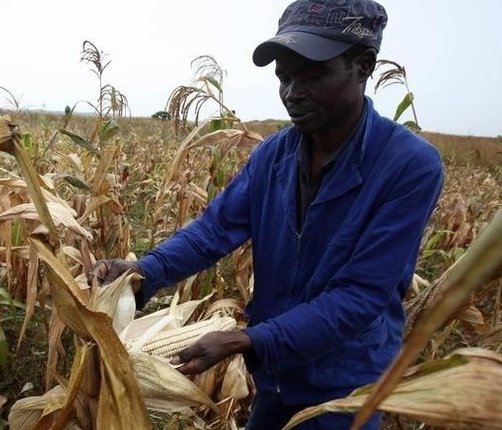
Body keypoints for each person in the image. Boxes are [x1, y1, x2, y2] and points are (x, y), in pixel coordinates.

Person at [91, 0, 443, 428]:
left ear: (363, 65)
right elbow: (214, 231)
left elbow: (359, 296)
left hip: (345, 387)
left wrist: (250, 339)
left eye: (312, 75)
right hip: (275, 375)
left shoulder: (408, 165)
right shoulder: (273, 156)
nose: (293, 92)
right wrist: (144, 271)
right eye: (284, 77)